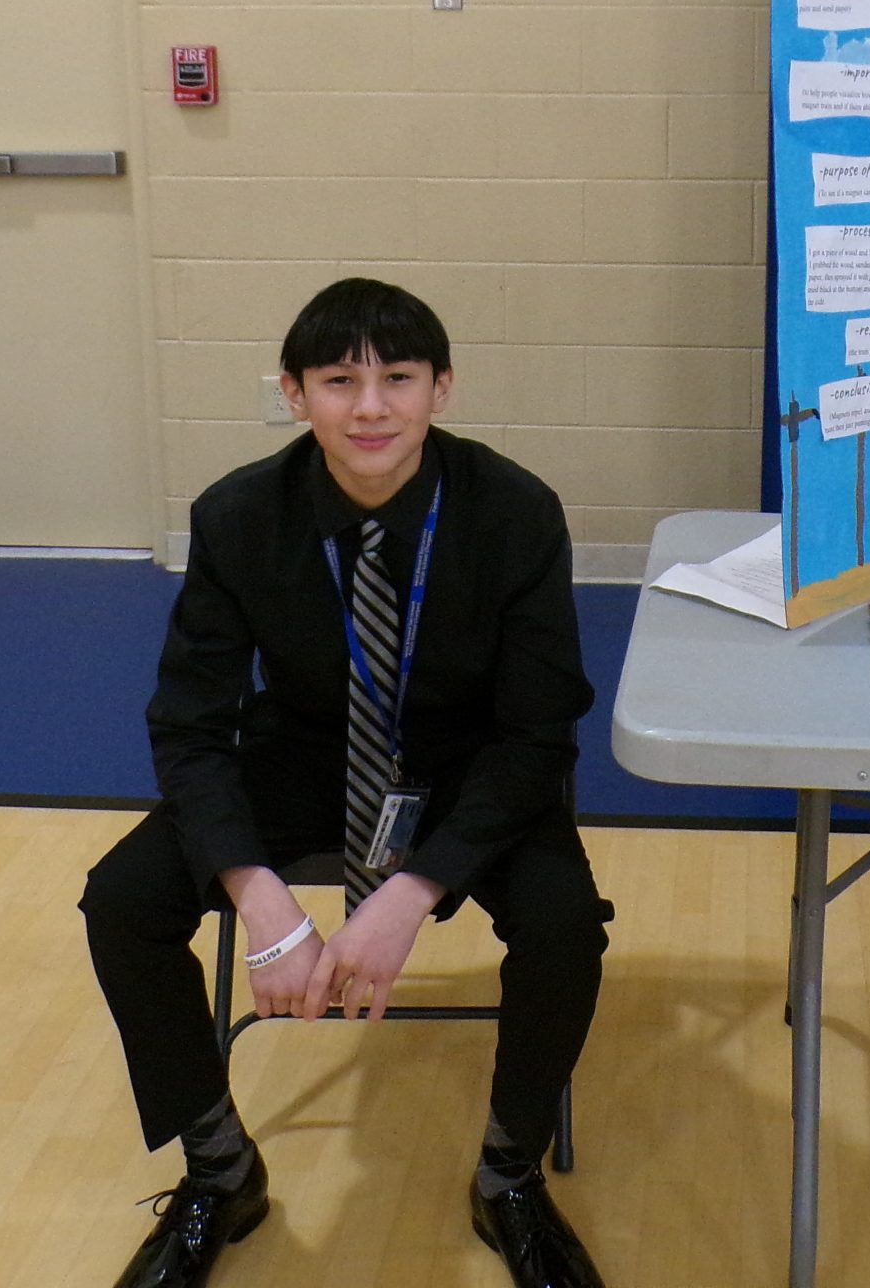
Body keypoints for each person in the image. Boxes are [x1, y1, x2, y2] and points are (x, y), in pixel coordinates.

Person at [81, 279, 612, 1288]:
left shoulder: (514, 512)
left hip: (472, 764)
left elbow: (539, 732)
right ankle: (220, 1170)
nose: (370, 407)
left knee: (565, 925)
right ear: (294, 394)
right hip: (304, 752)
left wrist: (410, 893)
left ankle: (508, 1178)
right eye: (338, 380)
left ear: (441, 389)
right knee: (122, 901)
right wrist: (260, 897)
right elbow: (189, 725)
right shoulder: (238, 515)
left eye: (397, 378)